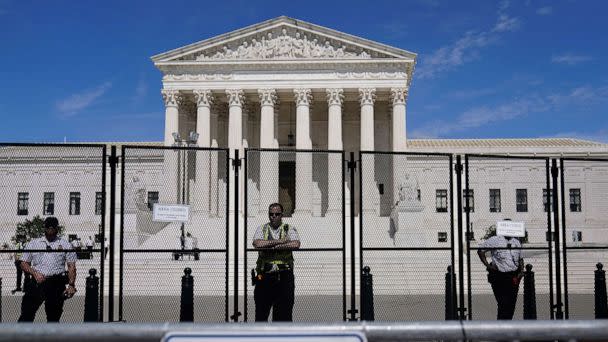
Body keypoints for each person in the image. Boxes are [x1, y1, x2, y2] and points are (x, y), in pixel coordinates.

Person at [18, 217, 77, 322]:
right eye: (48, 227)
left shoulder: (65, 244)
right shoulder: (34, 243)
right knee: (26, 315)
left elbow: (71, 266)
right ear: (44, 228)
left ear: (57, 229)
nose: (50, 230)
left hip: (56, 283)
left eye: (53, 227)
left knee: (53, 318)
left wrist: (71, 285)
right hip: (37, 282)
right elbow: (23, 263)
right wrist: (34, 273)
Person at [252, 203, 300, 322]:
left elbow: (296, 243)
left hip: (284, 276)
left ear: (282, 215)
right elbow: (257, 243)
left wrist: (271, 245)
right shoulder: (262, 228)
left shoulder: (289, 228)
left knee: (284, 315)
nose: (274, 216)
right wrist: (281, 242)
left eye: (277, 214)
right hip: (264, 275)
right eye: (271, 214)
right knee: (261, 314)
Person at [477, 224, 524, 320]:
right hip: (499, 276)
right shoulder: (495, 240)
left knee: (511, 303)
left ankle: (506, 325)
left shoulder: (516, 242)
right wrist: (488, 266)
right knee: (503, 303)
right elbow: (480, 251)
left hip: (513, 276)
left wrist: (521, 271)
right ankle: (501, 327)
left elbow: (520, 258)